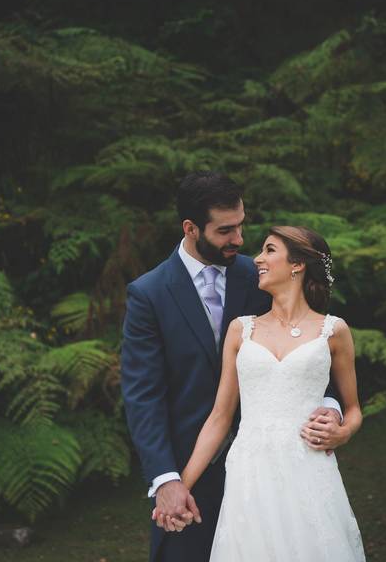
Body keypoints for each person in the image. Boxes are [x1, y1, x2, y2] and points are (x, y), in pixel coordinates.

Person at [120, 172, 346, 562]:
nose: (240, 240)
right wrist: (167, 480)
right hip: (190, 469)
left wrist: (330, 407)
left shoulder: (261, 275)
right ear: (191, 229)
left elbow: (316, 347)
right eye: (226, 230)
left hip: (279, 472)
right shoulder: (149, 294)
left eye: (241, 225)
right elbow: (143, 396)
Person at [177, 225, 366, 561]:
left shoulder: (333, 331)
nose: (258, 259)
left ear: (297, 264)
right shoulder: (241, 329)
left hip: (309, 470)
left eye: (269, 250)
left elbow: (353, 409)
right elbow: (220, 418)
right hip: (250, 471)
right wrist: (182, 485)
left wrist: (343, 432)